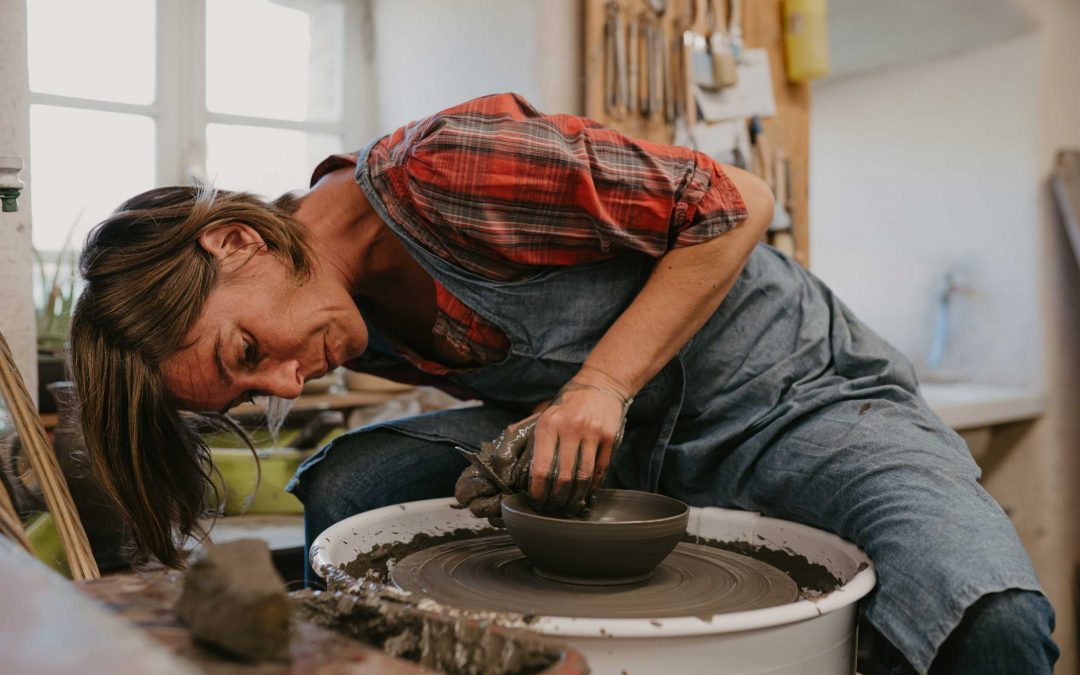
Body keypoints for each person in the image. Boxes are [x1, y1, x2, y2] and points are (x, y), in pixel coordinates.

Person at [69, 93, 1056, 674]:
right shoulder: (330, 304)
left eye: (249, 352)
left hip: (794, 400)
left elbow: (737, 203)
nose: (290, 378)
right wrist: (526, 437)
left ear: (237, 241)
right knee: (341, 491)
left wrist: (597, 389)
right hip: (626, 441)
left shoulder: (446, 168)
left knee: (995, 624)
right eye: (252, 391)